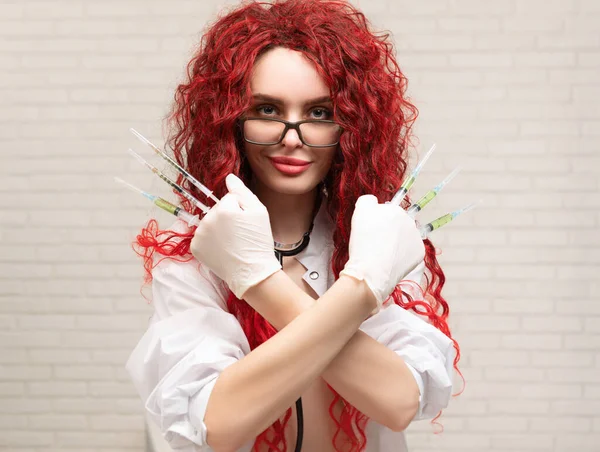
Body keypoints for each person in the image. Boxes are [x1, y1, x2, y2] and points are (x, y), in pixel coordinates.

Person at [126, 0, 461, 451]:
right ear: (229, 118)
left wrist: (264, 284)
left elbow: (399, 401)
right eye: (267, 109)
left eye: (320, 113)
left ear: (352, 126)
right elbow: (217, 423)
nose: (291, 135)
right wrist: (360, 292)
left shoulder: (381, 240)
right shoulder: (198, 252)